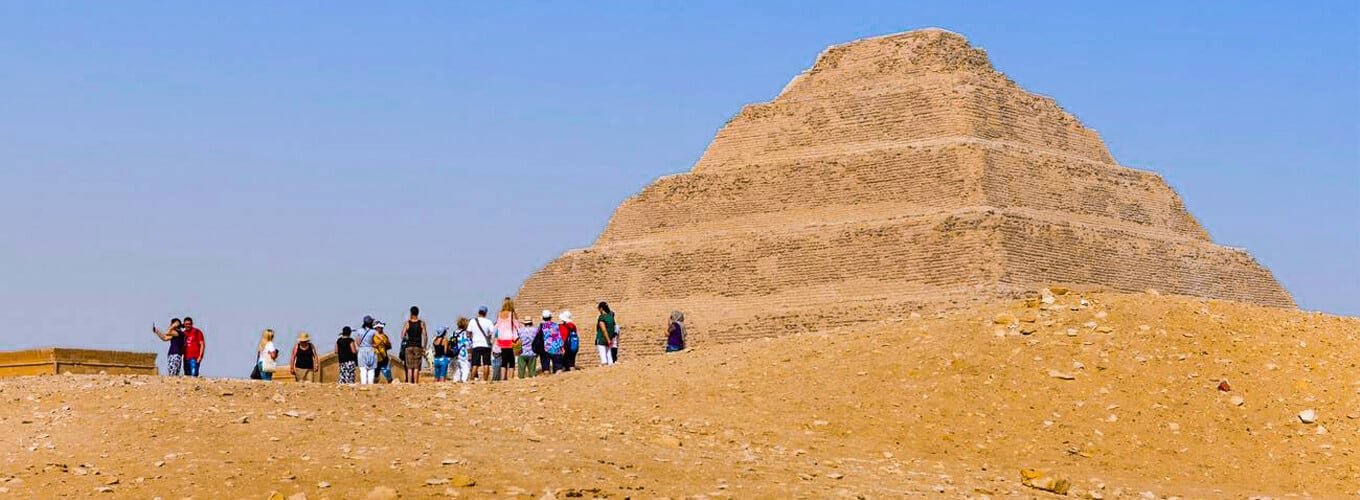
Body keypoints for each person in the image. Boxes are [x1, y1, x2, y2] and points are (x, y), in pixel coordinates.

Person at [401, 306, 428, 384]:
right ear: (418, 313)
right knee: (416, 367)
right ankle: (415, 383)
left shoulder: (407, 323)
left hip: (409, 346)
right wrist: (424, 347)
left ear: (411, 313)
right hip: (418, 346)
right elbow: (425, 336)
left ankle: (409, 383)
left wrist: (407, 336)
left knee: (409, 367)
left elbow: (402, 335)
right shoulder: (421, 323)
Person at [494, 298, 518, 381]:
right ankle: (510, 378)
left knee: (504, 360)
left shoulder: (499, 314)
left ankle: (503, 378)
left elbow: (497, 326)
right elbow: (517, 325)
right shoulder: (512, 314)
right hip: (510, 339)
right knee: (511, 360)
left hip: (501, 339)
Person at [469, 306, 495, 382]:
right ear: (486, 313)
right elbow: (492, 332)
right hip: (486, 345)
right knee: (486, 363)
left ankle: (472, 379)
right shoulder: (489, 322)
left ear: (478, 312)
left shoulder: (472, 321)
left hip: (476, 344)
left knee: (475, 364)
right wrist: (488, 337)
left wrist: (472, 337)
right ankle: (485, 380)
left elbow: (468, 332)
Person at [538, 310, 561, 374]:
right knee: (558, 367)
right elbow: (559, 337)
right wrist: (561, 347)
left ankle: (547, 378)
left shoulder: (541, 326)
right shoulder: (556, 325)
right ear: (551, 317)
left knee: (546, 368)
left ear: (543, 318)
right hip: (556, 348)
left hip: (545, 348)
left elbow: (538, 338)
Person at [452, 317, 473, 383]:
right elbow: (468, 343)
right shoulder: (467, 333)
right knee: (466, 368)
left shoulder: (455, 332)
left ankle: (456, 380)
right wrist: (470, 353)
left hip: (456, 352)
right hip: (464, 352)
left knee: (457, 368)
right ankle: (464, 380)